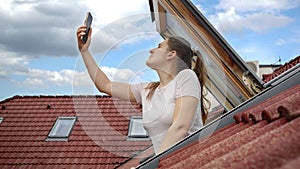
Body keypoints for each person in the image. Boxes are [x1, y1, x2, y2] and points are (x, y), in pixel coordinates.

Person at [76, 25, 209, 155]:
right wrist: (85, 51)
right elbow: (105, 85)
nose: (151, 50)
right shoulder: (147, 90)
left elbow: (180, 127)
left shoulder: (186, 77)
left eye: (159, 47)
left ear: (171, 54)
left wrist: (158, 164)